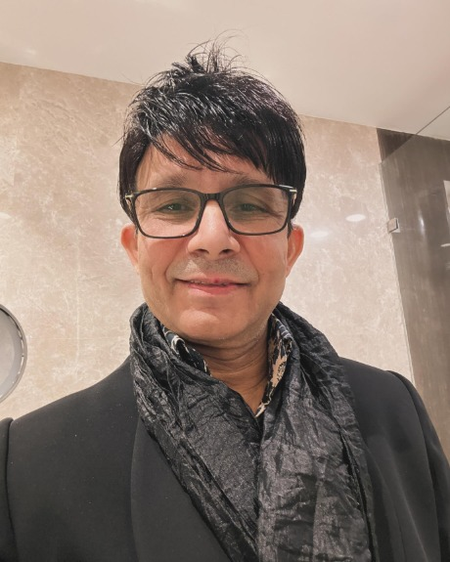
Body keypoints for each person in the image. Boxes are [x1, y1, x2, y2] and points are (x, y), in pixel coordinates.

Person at [0, 43, 449, 562]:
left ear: (290, 248)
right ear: (135, 247)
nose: (212, 239)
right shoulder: (25, 465)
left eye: (250, 205)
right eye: (173, 204)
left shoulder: (395, 408)